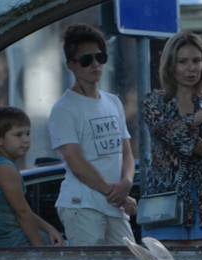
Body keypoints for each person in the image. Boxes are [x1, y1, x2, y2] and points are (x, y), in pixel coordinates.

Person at [48, 24, 136, 246]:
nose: (95, 64)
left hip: (114, 205)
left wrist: (127, 181)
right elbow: (76, 162)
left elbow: (126, 151)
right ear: (71, 65)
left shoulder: (113, 101)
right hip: (81, 204)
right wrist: (115, 194)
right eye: (86, 60)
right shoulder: (64, 108)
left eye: (100, 57)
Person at [140, 32, 202, 245]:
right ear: (171, 65)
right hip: (164, 202)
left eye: (197, 60)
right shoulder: (154, 102)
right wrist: (200, 118)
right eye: (183, 62)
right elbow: (166, 132)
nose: (191, 68)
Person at [0, 106, 63, 248]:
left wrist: (49, 228)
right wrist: (40, 250)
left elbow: (24, 210)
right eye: (18, 135)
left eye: (27, 133)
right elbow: (22, 213)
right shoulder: (4, 168)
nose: (25, 140)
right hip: (10, 244)